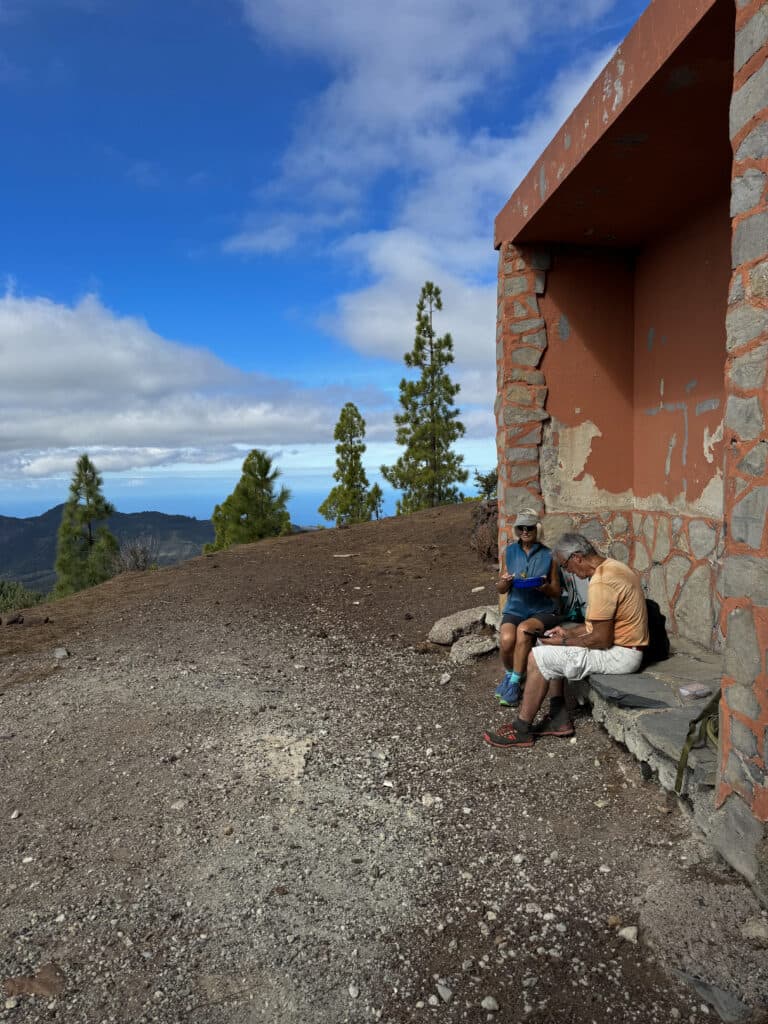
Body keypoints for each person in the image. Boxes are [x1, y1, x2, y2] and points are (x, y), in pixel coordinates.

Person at [484, 532, 649, 748]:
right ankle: (558, 715)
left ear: (577, 557)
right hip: (625, 646)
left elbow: (601, 639)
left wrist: (563, 644)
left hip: (622, 654)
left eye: (566, 565)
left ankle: (522, 729)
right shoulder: (614, 568)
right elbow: (597, 627)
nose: (567, 571)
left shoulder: (603, 581)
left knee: (537, 656)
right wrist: (567, 634)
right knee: (545, 641)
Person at [494, 510, 561, 707]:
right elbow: (500, 587)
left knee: (523, 631)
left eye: (529, 527)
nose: (525, 531)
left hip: (542, 610)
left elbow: (556, 591)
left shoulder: (550, 555)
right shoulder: (510, 552)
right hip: (515, 607)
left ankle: (514, 684)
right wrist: (505, 582)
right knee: (506, 640)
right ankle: (509, 675)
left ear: (537, 529)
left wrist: (545, 587)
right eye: (521, 528)